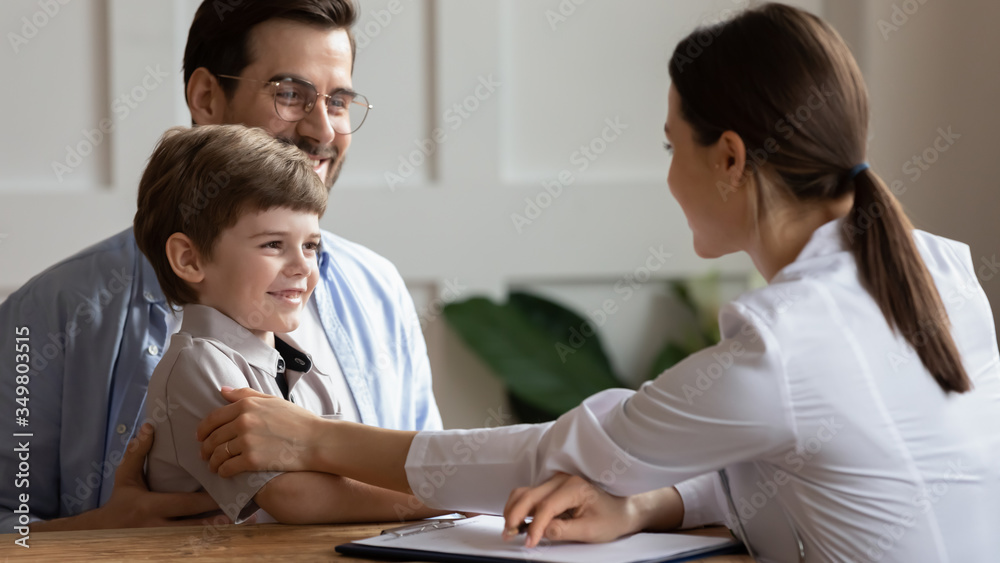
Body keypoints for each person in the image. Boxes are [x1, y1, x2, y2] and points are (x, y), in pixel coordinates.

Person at [196, 4, 1000, 561]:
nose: (669, 177)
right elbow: (805, 469)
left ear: (727, 158)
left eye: (668, 148)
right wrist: (644, 504)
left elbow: (566, 448)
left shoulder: (784, 343)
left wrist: (313, 438)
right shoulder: (940, 273)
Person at [0, 0, 441, 532]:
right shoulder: (48, 314)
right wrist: (92, 532)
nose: (323, 130)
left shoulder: (380, 292)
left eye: (339, 100)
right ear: (207, 97)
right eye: (290, 95)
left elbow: (424, 470)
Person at [134, 124, 441, 524]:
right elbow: (296, 497)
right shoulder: (198, 365)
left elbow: (345, 472)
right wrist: (448, 498)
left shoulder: (300, 366)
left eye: (311, 246)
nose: (302, 267)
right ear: (190, 260)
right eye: (273, 245)